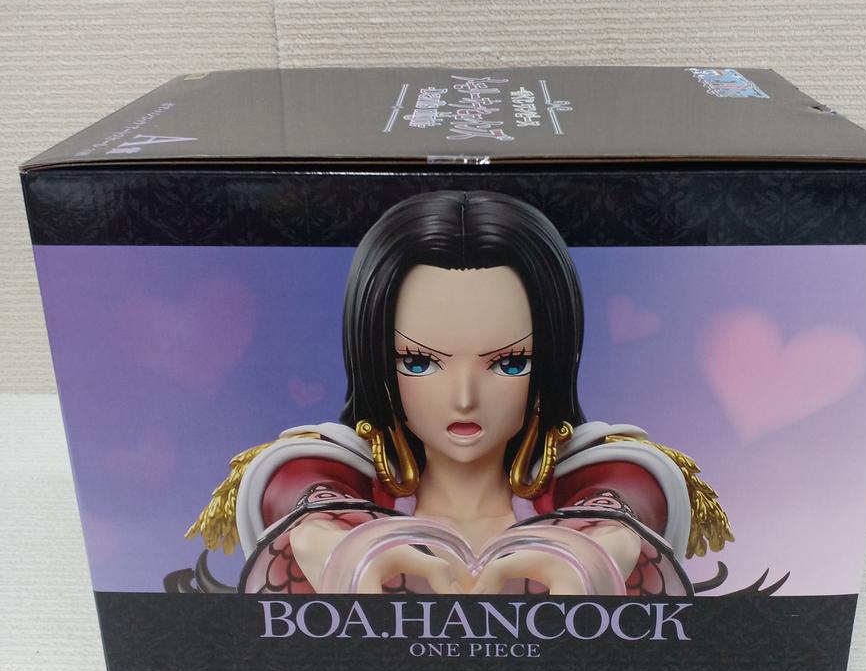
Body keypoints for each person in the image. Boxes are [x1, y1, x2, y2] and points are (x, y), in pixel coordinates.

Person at [184, 191, 732, 597]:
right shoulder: (341, 500)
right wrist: (324, 534)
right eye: (419, 362)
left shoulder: (587, 502)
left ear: (550, 363)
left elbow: (633, 488)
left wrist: (606, 544)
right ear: (376, 362)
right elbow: (296, 482)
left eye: (510, 362)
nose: (465, 397)